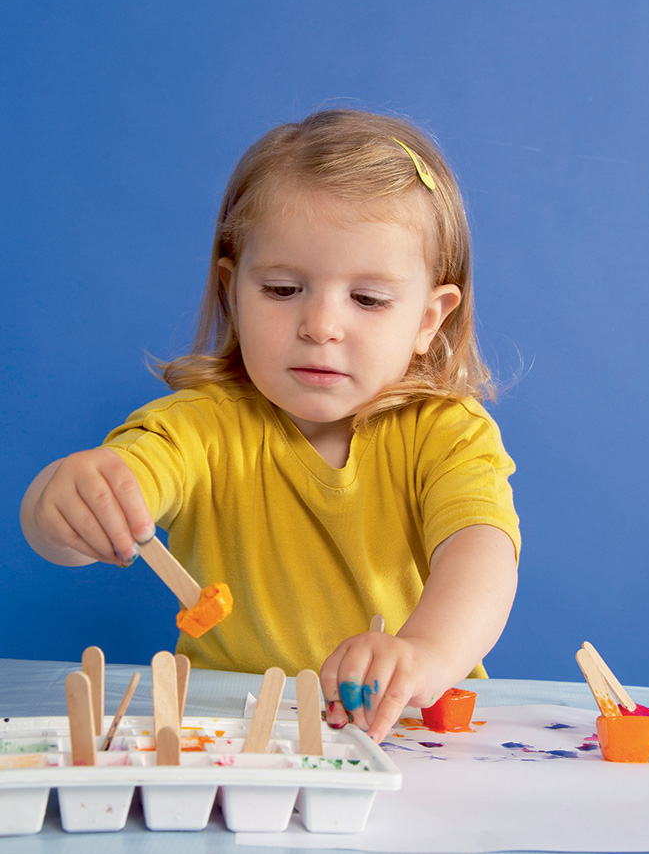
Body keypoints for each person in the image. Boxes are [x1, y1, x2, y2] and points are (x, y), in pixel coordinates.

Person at [20, 108, 520, 743]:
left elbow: (482, 554)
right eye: (283, 289)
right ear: (233, 291)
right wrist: (62, 502)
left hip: (408, 730)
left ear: (428, 319)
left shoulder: (449, 433)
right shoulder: (196, 428)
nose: (321, 325)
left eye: (367, 300)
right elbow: (91, 509)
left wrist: (425, 652)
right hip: (229, 734)